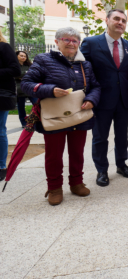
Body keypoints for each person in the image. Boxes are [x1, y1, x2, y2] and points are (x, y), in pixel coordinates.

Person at [21, 27, 101, 205]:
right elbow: (26, 84)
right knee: (54, 155)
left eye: (75, 40)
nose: (71, 43)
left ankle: (76, 183)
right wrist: (49, 90)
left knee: (77, 152)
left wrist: (91, 100)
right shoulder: (44, 59)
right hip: (54, 117)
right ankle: (55, 188)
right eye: (67, 39)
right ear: (57, 42)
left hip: (79, 115)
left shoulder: (84, 64)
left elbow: (95, 86)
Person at [80, 9, 128, 187]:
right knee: (100, 137)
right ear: (107, 20)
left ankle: (121, 164)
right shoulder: (90, 42)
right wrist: (88, 96)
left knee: (122, 136)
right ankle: (101, 170)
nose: (120, 23)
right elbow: (84, 72)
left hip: (124, 99)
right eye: (117, 19)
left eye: (124, 21)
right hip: (101, 99)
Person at [0, 31, 21, 181]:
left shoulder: (4, 47)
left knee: (0, 130)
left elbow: (15, 70)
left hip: (1, 95)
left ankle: (1, 166)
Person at [15, 51, 38, 127]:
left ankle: (36, 120)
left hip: (30, 89)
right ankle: (24, 123)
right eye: (21, 56)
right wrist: (24, 75)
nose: (23, 57)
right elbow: (13, 74)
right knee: (21, 107)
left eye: (25, 56)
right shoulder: (14, 66)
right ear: (17, 56)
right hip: (19, 90)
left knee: (37, 104)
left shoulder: (29, 65)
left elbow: (33, 74)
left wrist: (22, 76)